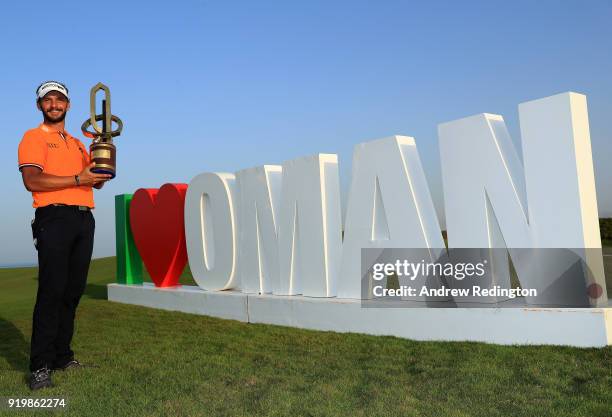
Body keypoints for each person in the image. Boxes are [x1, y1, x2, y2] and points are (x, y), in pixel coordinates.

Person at [18, 81, 112, 390]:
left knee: (72, 292)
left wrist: (105, 151)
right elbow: (32, 180)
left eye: (59, 100)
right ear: (40, 106)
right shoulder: (33, 137)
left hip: (84, 219)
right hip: (54, 217)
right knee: (51, 292)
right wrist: (76, 177)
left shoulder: (76, 142)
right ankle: (40, 366)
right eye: (48, 100)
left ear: (68, 106)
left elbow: (96, 182)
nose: (54, 104)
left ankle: (62, 356)